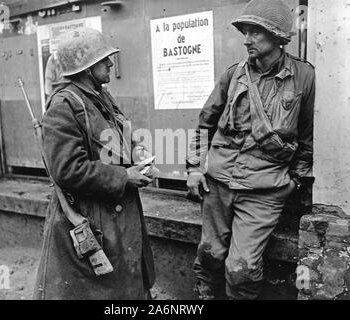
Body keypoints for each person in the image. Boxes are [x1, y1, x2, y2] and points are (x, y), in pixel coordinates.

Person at [186, 0, 315, 300]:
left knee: (241, 269)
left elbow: (307, 137)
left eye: (255, 32)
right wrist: (194, 168)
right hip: (218, 185)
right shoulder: (233, 75)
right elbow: (205, 123)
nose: (246, 39)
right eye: (245, 31)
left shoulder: (304, 77)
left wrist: (294, 181)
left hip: (264, 189)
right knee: (209, 256)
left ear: (277, 36)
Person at [33, 27, 156, 300]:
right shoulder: (63, 106)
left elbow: (118, 135)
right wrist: (124, 177)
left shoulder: (100, 96)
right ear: (87, 67)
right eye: (104, 60)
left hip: (116, 217)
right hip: (93, 218)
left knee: (128, 288)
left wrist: (138, 154)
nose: (111, 64)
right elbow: (67, 170)